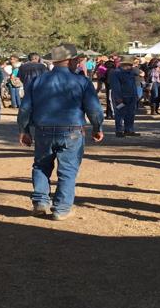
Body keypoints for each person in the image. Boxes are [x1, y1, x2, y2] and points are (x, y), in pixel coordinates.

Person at [18, 43, 104, 220]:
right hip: (72, 131)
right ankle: (62, 209)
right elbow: (94, 109)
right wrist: (97, 127)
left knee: (41, 166)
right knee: (68, 170)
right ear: (71, 60)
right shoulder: (82, 81)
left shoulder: (38, 81)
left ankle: (40, 202)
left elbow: (25, 108)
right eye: (77, 60)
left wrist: (24, 130)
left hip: (43, 130)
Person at [107, 57, 143, 137]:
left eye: (131, 65)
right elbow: (115, 86)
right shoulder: (116, 73)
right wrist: (118, 97)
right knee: (119, 114)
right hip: (121, 98)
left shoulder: (130, 73)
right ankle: (119, 131)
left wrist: (135, 95)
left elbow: (133, 85)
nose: (131, 67)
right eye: (129, 65)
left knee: (131, 114)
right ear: (123, 65)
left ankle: (129, 130)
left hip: (131, 97)